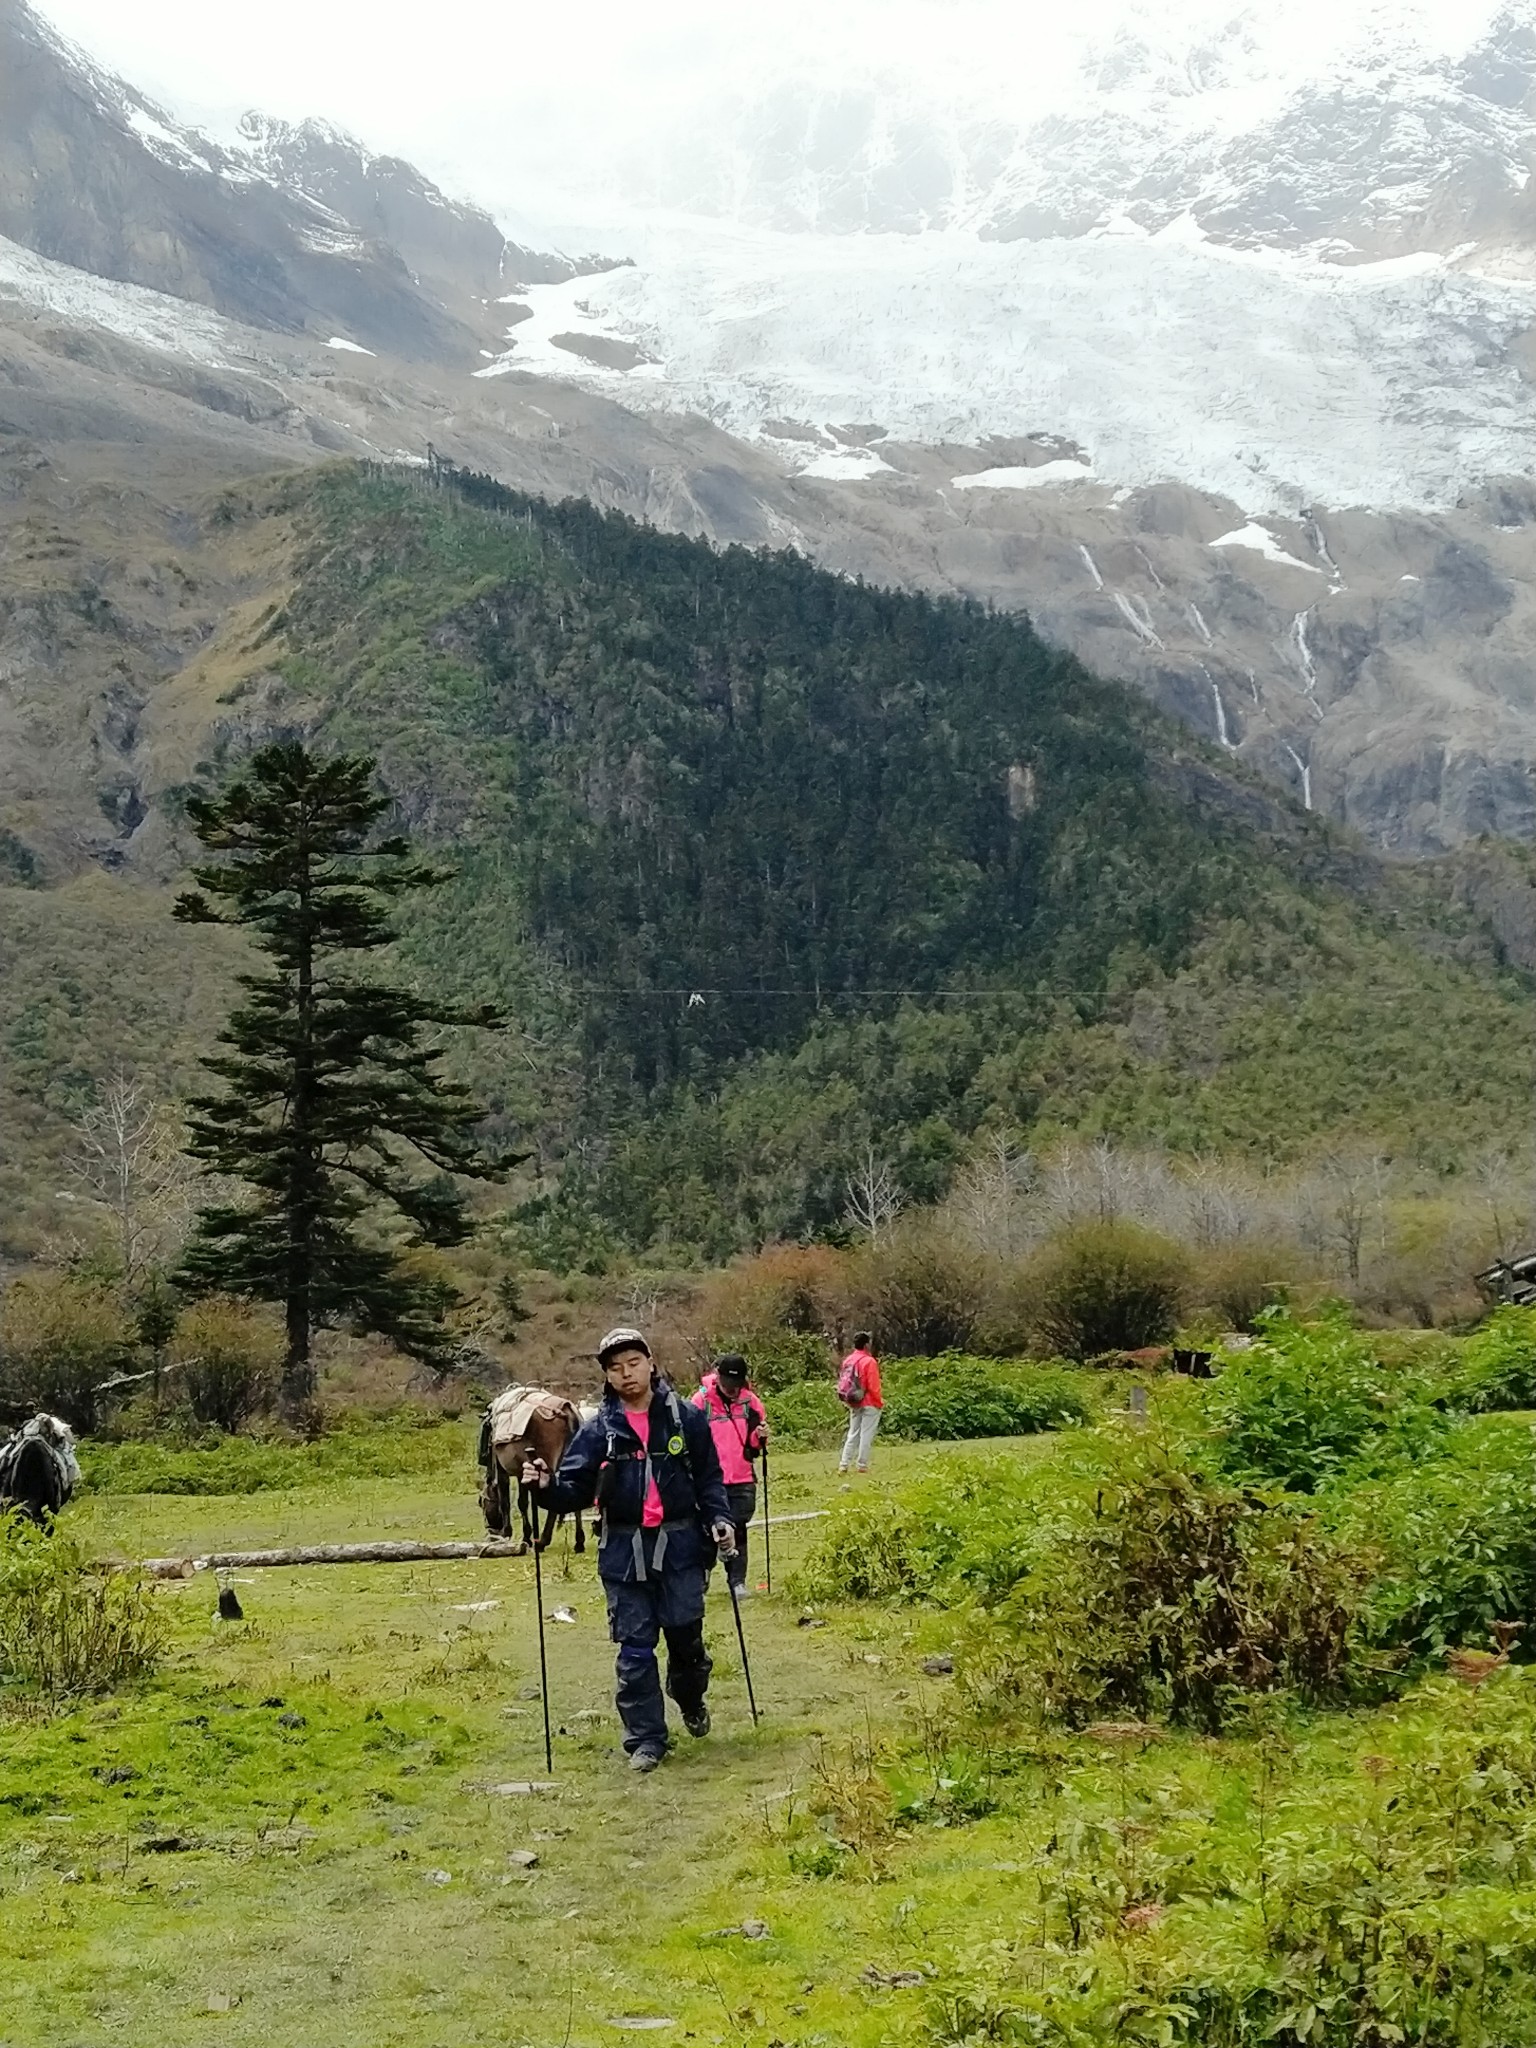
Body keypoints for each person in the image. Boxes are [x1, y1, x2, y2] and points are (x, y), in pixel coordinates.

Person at [522, 1327, 736, 1774]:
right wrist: (544, 1487)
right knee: (635, 1651)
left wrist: (720, 1519)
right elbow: (571, 1492)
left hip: (681, 1547)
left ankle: (690, 1697)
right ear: (607, 1375)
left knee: (686, 1646)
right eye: (616, 1368)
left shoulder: (685, 1419)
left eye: (633, 1363)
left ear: (651, 1363)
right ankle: (646, 1740)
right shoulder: (599, 1429)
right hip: (623, 1552)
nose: (627, 1374)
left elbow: (710, 1478)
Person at [692, 1353, 768, 1594]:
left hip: (742, 1478)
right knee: (707, 1531)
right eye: (728, 1384)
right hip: (709, 1480)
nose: (733, 1390)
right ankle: (701, 1579)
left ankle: (737, 1582)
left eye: (737, 1385)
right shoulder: (700, 1402)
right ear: (718, 1378)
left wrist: (761, 1437)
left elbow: (754, 1445)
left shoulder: (751, 1402)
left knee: (739, 1530)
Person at [836, 1329, 883, 1474]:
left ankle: (844, 1464)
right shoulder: (869, 1361)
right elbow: (873, 1386)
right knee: (866, 1434)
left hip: (853, 1401)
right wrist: (879, 1402)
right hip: (868, 1402)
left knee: (853, 1432)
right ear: (867, 1345)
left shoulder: (848, 1360)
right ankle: (862, 1465)